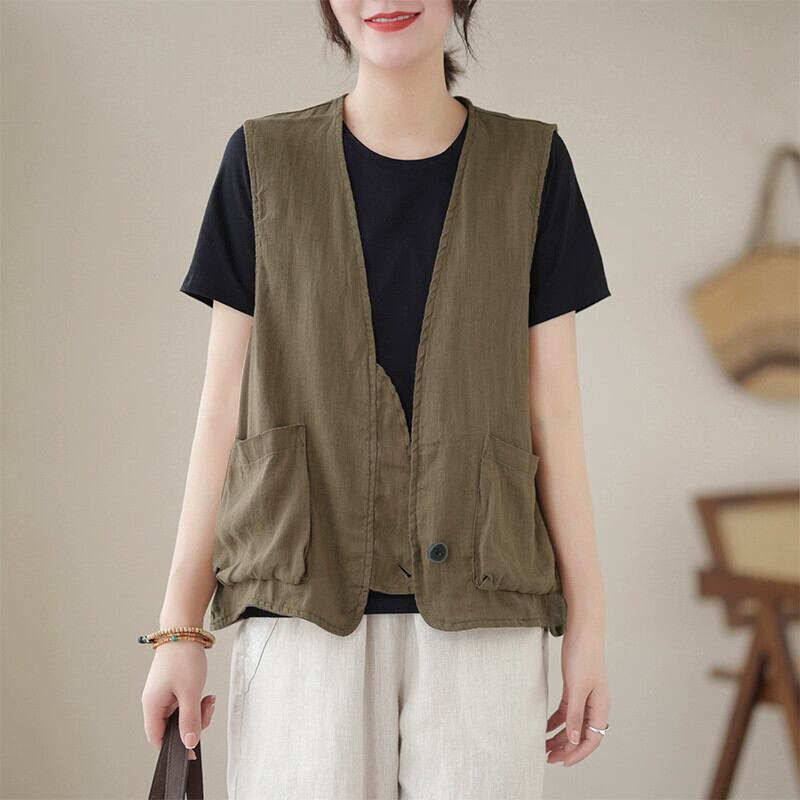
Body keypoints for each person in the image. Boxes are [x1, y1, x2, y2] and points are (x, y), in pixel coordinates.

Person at [141, 1, 613, 798]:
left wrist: (589, 628)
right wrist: (179, 628)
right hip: (298, 612)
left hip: (486, 614)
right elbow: (221, 412)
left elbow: (555, 415)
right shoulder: (262, 162)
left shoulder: (532, 167)